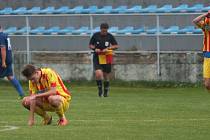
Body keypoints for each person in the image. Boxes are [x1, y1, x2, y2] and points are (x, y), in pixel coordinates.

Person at [89, 23, 119, 97]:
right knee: (98, 73)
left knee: (106, 75)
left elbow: (116, 45)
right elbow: (90, 45)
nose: (104, 32)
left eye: (105, 31)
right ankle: (100, 90)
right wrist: (95, 49)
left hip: (106, 56)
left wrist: (109, 48)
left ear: (107, 30)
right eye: (103, 31)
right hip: (97, 56)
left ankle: (106, 92)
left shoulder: (110, 36)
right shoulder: (95, 35)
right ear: (100, 29)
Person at [0, 25, 25, 99]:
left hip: (3, 60)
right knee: (10, 76)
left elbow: (3, 49)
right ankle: (21, 93)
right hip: (9, 58)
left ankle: (21, 93)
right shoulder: (5, 35)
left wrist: (3, 62)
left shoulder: (1, 36)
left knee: (10, 76)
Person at [193, 10, 210, 90]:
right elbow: (195, 21)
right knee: (207, 84)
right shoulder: (206, 25)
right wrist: (206, 14)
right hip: (208, 55)